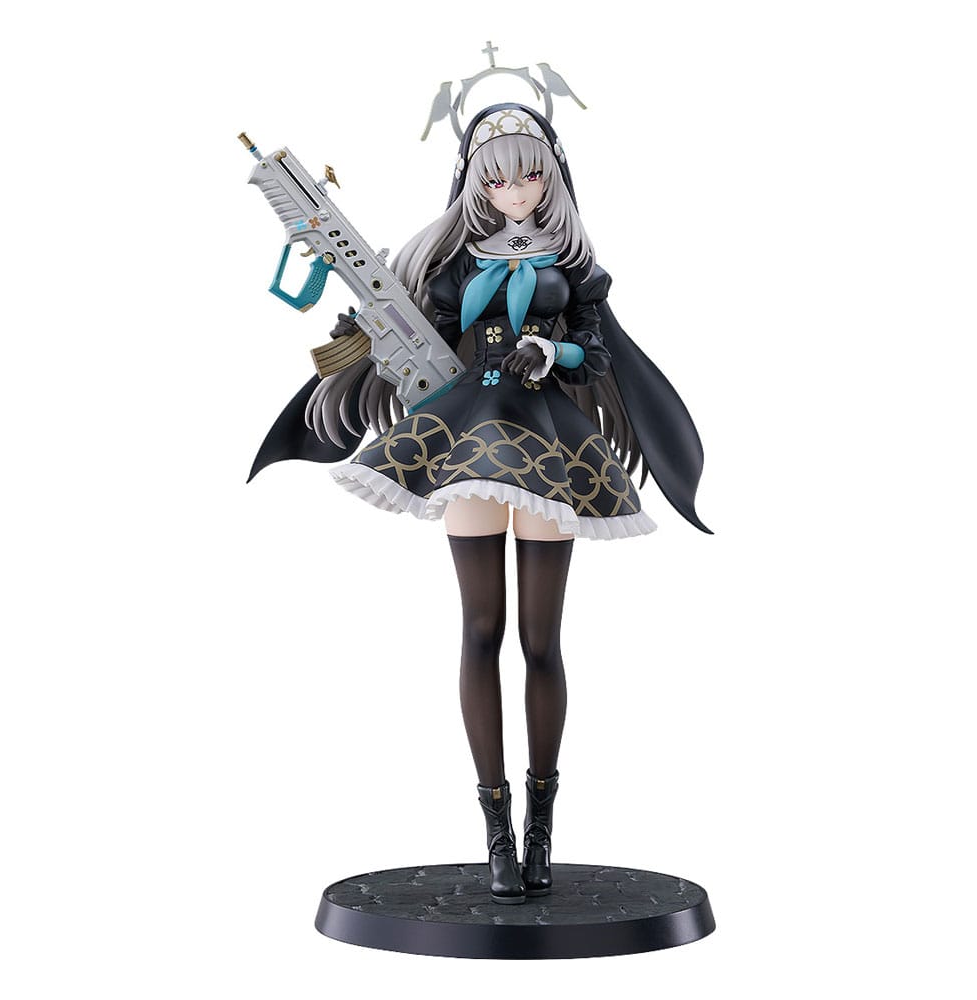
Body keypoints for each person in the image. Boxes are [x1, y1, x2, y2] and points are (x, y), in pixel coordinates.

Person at [250, 104, 710, 905]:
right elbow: (418, 338)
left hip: (549, 439)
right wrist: (365, 329)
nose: (515, 191)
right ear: (476, 183)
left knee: (541, 641)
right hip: (469, 435)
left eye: (529, 175)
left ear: (551, 176)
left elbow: (596, 352)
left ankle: (542, 827)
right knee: (479, 631)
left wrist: (553, 349)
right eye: (498, 180)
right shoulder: (456, 265)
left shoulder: (574, 266)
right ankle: (496, 833)